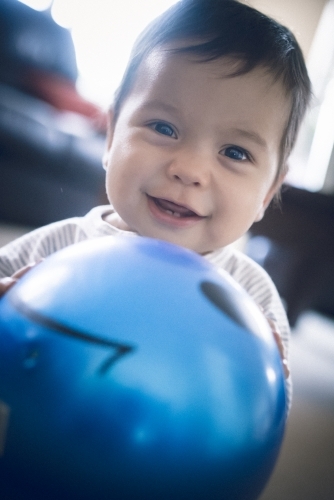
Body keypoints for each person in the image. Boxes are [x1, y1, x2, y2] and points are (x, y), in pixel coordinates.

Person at [0, 0, 312, 409]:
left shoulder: (251, 299)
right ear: (111, 139)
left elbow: (261, 422)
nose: (189, 169)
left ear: (268, 193)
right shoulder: (54, 251)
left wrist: (265, 384)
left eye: (235, 152)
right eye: (164, 127)